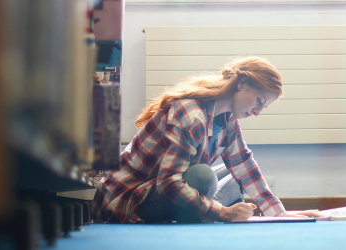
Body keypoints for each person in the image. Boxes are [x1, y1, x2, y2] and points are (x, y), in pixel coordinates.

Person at [93, 57, 322, 223]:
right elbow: (169, 182)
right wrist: (221, 212)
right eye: (259, 101)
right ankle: (206, 212)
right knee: (203, 176)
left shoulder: (228, 117)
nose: (257, 112)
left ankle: (200, 211)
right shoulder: (191, 114)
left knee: (234, 177)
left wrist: (279, 213)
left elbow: (243, 164)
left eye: (264, 107)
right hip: (127, 199)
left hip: (163, 190)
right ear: (241, 84)